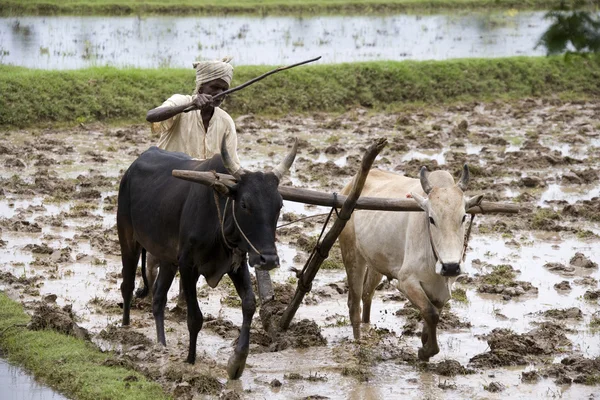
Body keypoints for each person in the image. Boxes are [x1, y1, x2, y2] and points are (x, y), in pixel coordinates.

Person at [143, 56, 242, 308]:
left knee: (199, 245)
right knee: (157, 255)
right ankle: (150, 285)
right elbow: (151, 116)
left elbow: (232, 164)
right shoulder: (181, 103)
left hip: (203, 193)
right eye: (214, 88)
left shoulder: (225, 121)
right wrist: (188, 105)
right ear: (200, 87)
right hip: (170, 187)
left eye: (224, 88)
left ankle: (185, 298)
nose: (220, 93)